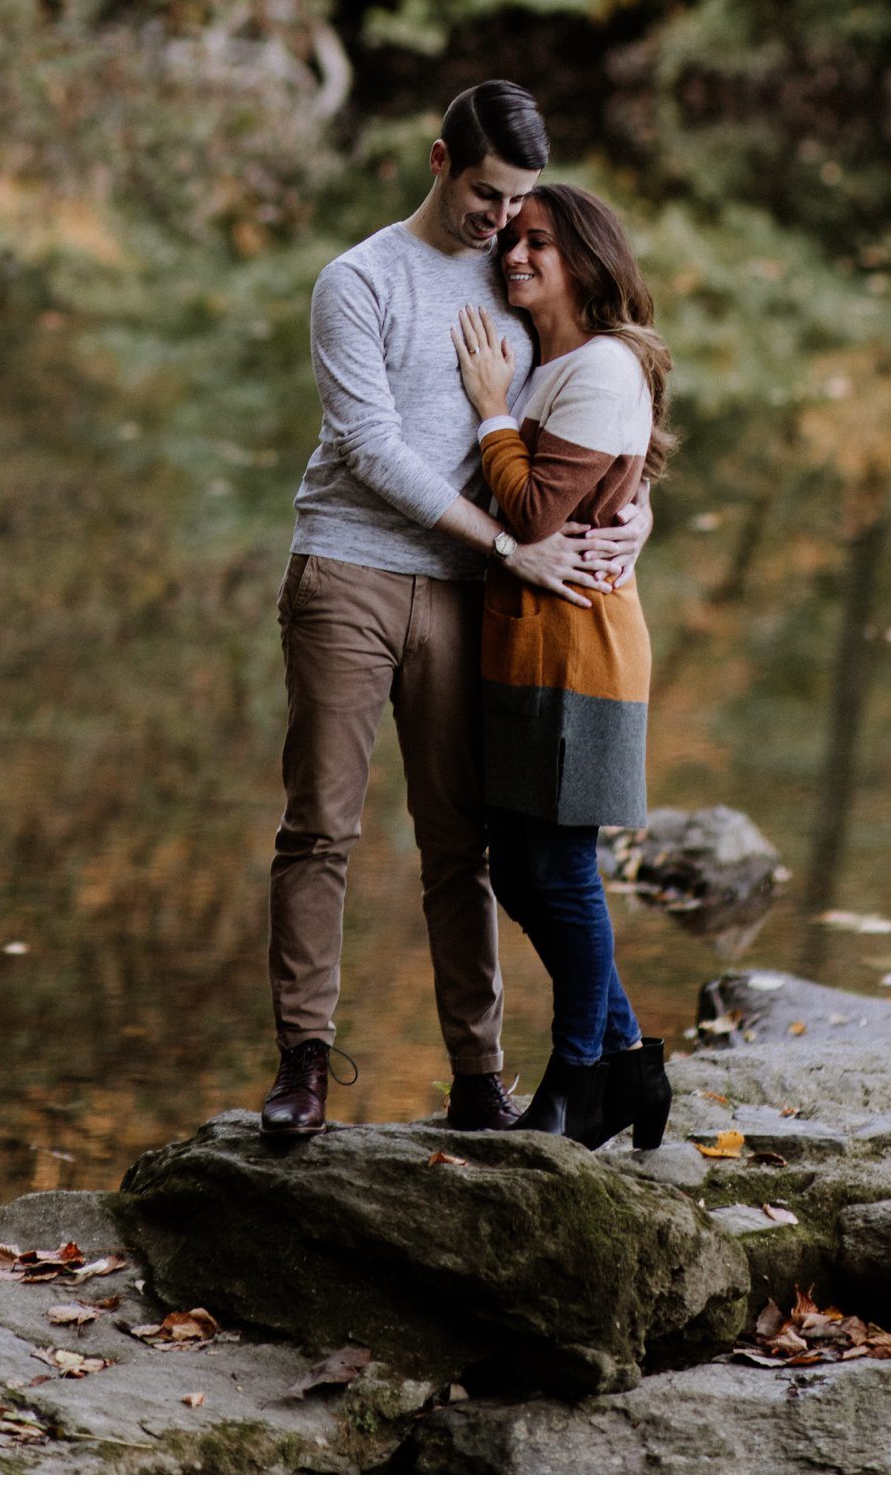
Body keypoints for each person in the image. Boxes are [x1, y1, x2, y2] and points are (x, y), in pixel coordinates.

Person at [262, 83, 650, 1142]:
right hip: (348, 570)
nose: (500, 221)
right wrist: (507, 544)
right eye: (485, 193)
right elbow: (365, 445)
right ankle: (302, 1060)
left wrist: (635, 507)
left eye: (517, 200)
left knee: (461, 845)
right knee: (319, 826)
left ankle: (478, 1074)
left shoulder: (519, 270)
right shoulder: (358, 279)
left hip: (472, 600)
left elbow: (591, 392)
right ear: (439, 161)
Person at [451, 181, 674, 1152]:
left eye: (537, 240)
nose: (513, 254)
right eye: (509, 239)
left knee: (561, 869)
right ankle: (629, 1059)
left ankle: (579, 1072)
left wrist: (490, 410)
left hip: (578, 650)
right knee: (515, 871)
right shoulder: (552, 363)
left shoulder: (602, 367)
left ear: (584, 257)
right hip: (521, 647)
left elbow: (535, 514)